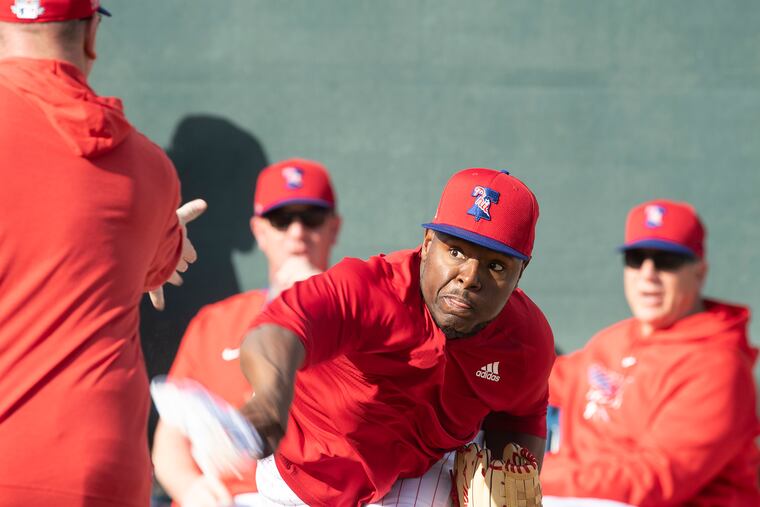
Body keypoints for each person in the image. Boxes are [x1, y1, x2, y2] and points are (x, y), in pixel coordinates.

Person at [240, 167, 556, 506]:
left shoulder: (524, 341)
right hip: (299, 475)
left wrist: (508, 479)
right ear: (427, 244)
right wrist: (270, 396)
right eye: (456, 252)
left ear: (520, 273)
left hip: (415, 480)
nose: (469, 277)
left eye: (496, 266)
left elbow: (521, 418)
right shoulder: (369, 290)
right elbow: (277, 330)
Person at [0, 2, 205, 506]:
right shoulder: (150, 171)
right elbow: (155, 263)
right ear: (92, 35)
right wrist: (156, 232)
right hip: (97, 471)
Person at [541, 199, 760, 507]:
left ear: (699, 272)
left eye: (666, 261)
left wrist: (532, 473)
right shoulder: (615, 338)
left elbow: (650, 480)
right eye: (636, 258)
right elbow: (542, 381)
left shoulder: (720, 368)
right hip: (584, 493)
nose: (648, 273)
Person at [152, 159, 342, 506]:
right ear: (259, 231)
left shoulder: (366, 317)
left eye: (311, 218)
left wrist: (316, 302)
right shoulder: (216, 321)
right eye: (282, 220)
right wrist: (192, 490)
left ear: (334, 228)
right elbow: (170, 440)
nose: (297, 232)